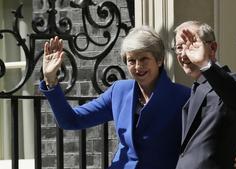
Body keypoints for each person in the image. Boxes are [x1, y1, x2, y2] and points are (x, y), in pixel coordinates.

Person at [39, 26, 190, 169]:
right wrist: (51, 80)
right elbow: (70, 120)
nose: (138, 67)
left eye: (144, 59)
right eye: (131, 60)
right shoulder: (119, 91)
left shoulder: (183, 97)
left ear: (159, 60)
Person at [173, 21, 236, 169]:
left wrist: (205, 64)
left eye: (191, 44)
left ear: (212, 48)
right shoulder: (196, 89)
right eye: (179, 47)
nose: (184, 53)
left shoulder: (234, 81)